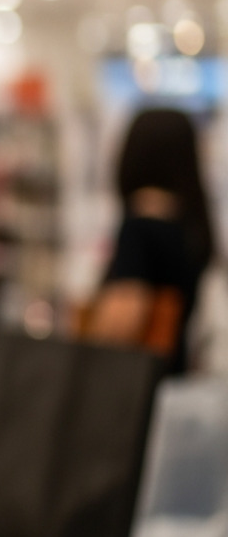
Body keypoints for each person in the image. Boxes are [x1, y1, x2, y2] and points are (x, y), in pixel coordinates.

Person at [88, 106, 216, 374]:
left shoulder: (141, 223)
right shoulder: (191, 222)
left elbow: (124, 319)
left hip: (135, 382)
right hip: (176, 367)